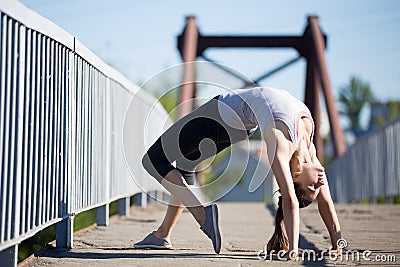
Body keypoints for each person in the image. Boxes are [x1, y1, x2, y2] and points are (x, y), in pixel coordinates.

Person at [134, 87, 342, 259]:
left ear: (294, 177)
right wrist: (337, 244)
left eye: (313, 187)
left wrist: (293, 251)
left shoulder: (281, 145)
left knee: (153, 159)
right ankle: (162, 235)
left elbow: (290, 200)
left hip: (219, 114)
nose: (320, 182)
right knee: (186, 165)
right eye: (317, 187)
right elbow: (326, 202)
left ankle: (202, 215)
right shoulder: (308, 149)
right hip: (239, 125)